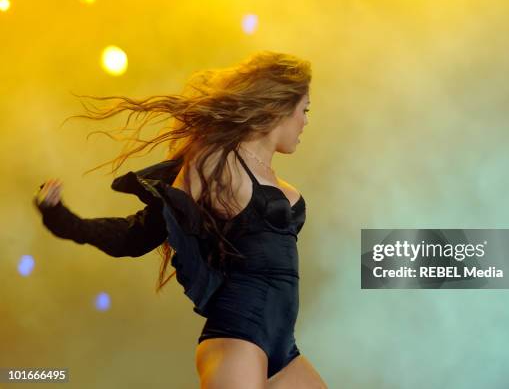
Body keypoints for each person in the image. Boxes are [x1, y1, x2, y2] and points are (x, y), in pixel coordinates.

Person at [34, 51, 327, 389]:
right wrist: (62, 218)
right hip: (239, 339)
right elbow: (137, 235)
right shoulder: (215, 162)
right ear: (279, 106)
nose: (306, 121)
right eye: (304, 110)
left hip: (284, 350)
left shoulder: (280, 183)